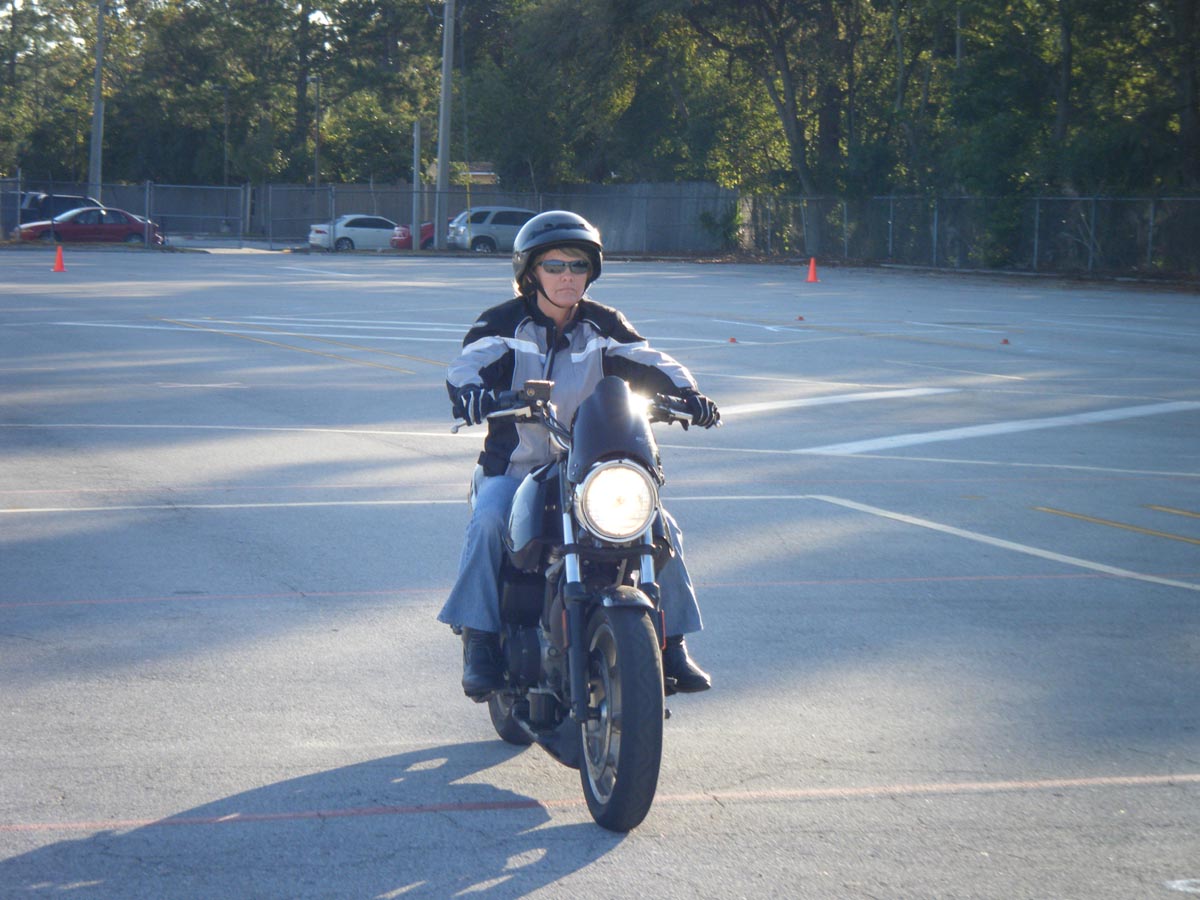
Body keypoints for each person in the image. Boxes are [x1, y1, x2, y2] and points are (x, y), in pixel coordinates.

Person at [440, 210, 720, 700]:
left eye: (578, 265)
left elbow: (652, 361)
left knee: (660, 526)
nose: (567, 276)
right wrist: (472, 397)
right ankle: (480, 640)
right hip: (516, 469)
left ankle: (671, 643)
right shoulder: (502, 324)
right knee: (488, 521)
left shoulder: (603, 325)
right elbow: (467, 367)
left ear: (591, 271)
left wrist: (690, 396)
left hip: (588, 468)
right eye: (555, 266)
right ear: (531, 272)